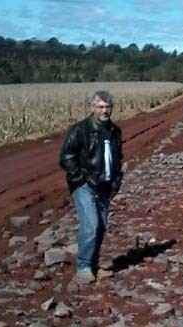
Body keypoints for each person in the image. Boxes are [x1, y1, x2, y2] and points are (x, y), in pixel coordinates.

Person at [59, 91, 123, 284]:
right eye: (100, 107)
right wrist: (80, 179)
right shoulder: (80, 129)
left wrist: (116, 180)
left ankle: (94, 265)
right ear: (92, 108)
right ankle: (84, 267)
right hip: (86, 185)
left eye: (107, 107)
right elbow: (66, 157)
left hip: (105, 185)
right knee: (91, 225)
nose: (104, 111)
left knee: (101, 227)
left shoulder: (114, 131)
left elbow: (117, 157)